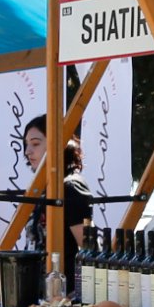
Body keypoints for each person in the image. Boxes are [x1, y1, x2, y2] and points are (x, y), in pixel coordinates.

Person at [21, 114, 93, 280]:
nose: (27, 151)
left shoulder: (70, 187)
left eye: (35, 144)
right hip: (37, 286)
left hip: (63, 288)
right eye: (26, 144)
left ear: (58, 144)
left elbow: (90, 250)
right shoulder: (42, 188)